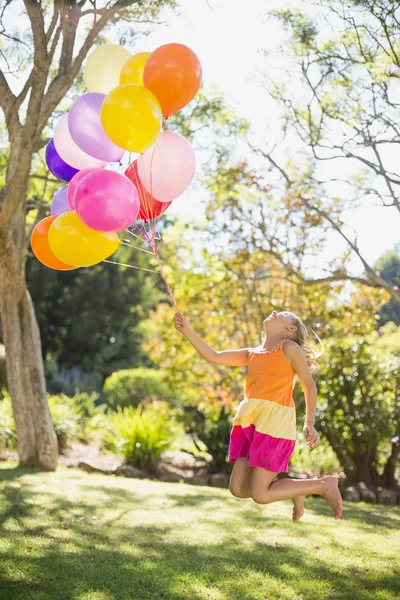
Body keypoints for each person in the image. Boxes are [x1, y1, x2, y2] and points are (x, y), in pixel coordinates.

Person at [173, 310, 342, 520]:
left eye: (282, 314)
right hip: (250, 422)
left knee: (260, 494)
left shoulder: (290, 348)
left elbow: (308, 384)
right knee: (237, 488)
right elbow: (214, 356)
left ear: (291, 329)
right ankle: (298, 491)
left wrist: (310, 422)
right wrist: (186, 330)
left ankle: (324, 484)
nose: (274, 312)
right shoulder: (253, 353)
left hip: (275, 424)